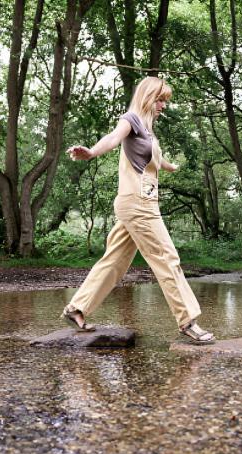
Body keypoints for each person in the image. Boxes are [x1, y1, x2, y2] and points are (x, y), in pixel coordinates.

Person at [61, 76, 215, 344]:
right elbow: (112, 139)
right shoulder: (131, 119)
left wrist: (170, 167)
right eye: (160, 100)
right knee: (167, 257)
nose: (163, 106)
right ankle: (188, 321)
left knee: (115, 261)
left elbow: (152, 157)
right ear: (146, 97)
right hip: (138, 205)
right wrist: (92, 152)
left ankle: (77, 308)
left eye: (165, 101)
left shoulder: (148, 129)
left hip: (139, 204)